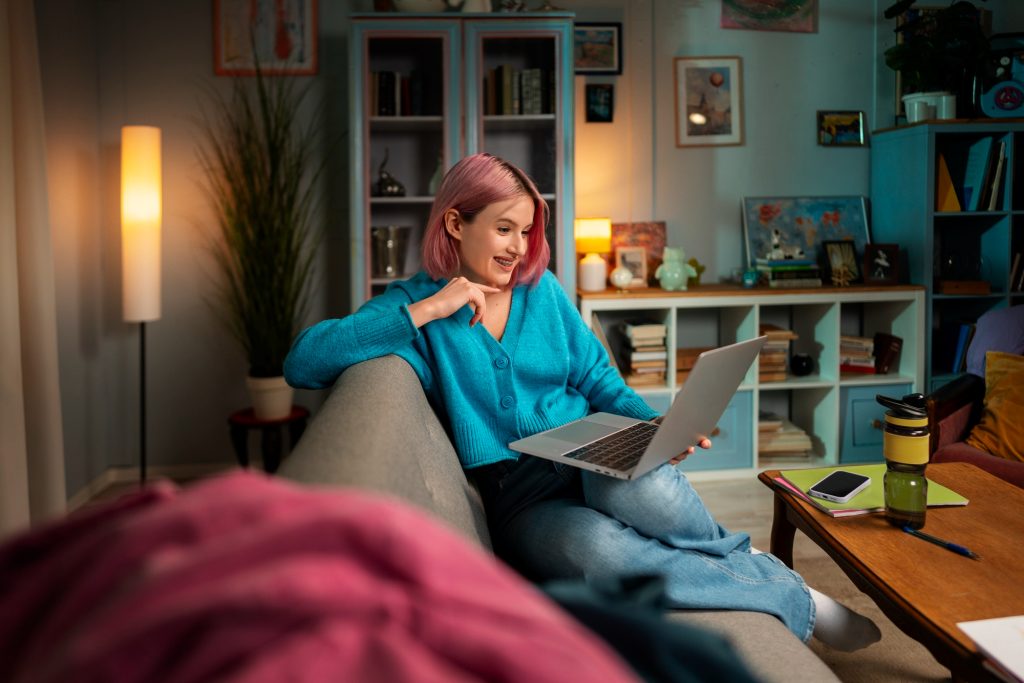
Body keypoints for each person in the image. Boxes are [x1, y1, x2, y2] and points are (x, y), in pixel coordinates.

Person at [284, 153, 880, 651]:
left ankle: (721, 552)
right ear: (454, 224)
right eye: (503, 228)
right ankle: (790, 591)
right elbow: (303, 362)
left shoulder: (541, 293)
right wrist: (428, 309)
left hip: (593, 447)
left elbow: (600, 381)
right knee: (599, 551)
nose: (519, 247)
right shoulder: (413, 310)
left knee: (643, 487)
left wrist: (657, 426)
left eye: (526, 230)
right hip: (519, 499)